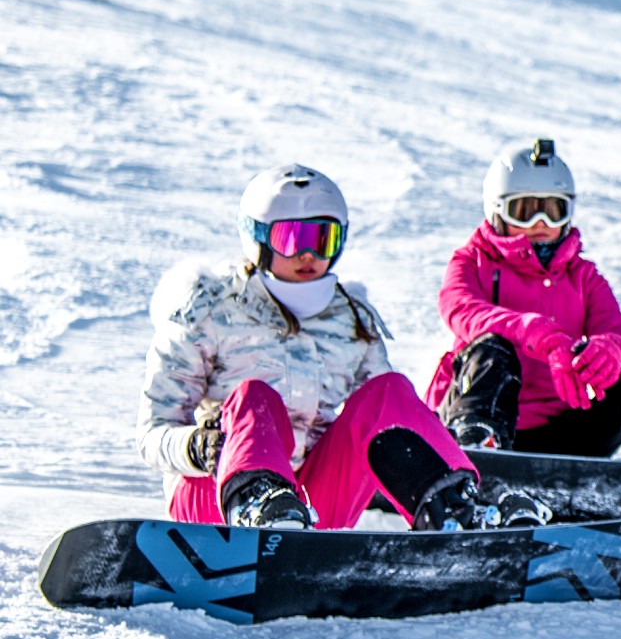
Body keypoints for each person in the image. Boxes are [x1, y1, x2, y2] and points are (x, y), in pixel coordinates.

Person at [139, 165, 550, 531]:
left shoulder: (350, 319)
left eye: (323, 237)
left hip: (316, 505)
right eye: (291, 238)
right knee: (254, 396)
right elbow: (152, 432)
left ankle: (453, 505)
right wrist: (196, 447)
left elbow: (390, 418)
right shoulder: (209, 311)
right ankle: (260, 504)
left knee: (388, 390)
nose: (308, 254)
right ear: (258, 239)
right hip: (215, 500)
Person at [429, 138, 621, 462]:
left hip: (566, 430)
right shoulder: (472, 262)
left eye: (552, 211)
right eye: (525, 211)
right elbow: (461, 309)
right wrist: (532, 332)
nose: (540, 224)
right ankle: (476, 443)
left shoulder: (582, 275)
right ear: (497, 210)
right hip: (489, 419)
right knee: (490, 351)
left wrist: (610, 352)